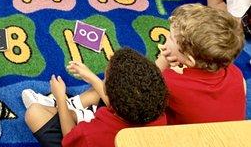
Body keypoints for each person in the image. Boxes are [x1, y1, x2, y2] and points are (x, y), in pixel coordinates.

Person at [23, 48, 167, 147]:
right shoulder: (155, 111)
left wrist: (60, 97)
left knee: (33, 113)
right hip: (112, 125)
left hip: (81, 139)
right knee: (101, 87)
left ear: (113, 101)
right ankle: (74, 108)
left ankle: (66, 106)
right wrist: (92, 78)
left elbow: (69, 136)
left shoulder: (90, 135)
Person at [156, 3, 246, 124]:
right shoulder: (237, 75)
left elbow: (144, 86)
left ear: (189, 60)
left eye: (171, 38)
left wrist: (162, 60)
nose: (166, 35)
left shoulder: (169, 82)